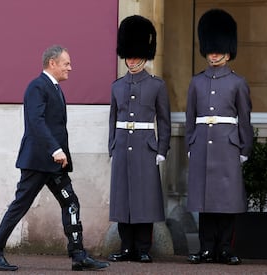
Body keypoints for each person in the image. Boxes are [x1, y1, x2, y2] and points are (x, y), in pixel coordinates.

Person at [0, 45, 110, 271]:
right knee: (20, 206)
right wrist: (55, 149)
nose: (70, 68)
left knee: (70, 202)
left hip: (55, 164)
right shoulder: (37, 87)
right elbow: (36, 122)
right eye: (66, 63)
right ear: (52, 63)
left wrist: (60, 154)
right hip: (38, 162)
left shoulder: (55, 88)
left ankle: (78, 254)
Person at [185, 9, 253, 265]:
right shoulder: (197, 82)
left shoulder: (238, 83)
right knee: (205, 202)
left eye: (217, 49)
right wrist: (191, 143)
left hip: (227, 146)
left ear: (227, 50)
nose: (213, 53)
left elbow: (244, 118)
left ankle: (224, 248)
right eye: (210, 49)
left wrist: (245, 149)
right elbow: (191, 116)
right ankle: (206, 248)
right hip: (202, 144)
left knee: (226, 202)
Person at [107, 15, 171, 263]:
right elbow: (113, 119)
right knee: (123, 199)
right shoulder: (117, 86)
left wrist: (162, 149)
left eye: (135, 56)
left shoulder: (157, 86)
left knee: (145, 200)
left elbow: (164, 120)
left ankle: (143, 248)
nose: (131, 61)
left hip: (146, 146)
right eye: (128, 56)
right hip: (123, 145)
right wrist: (112, 145)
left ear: (145, 56)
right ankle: (127, 247)